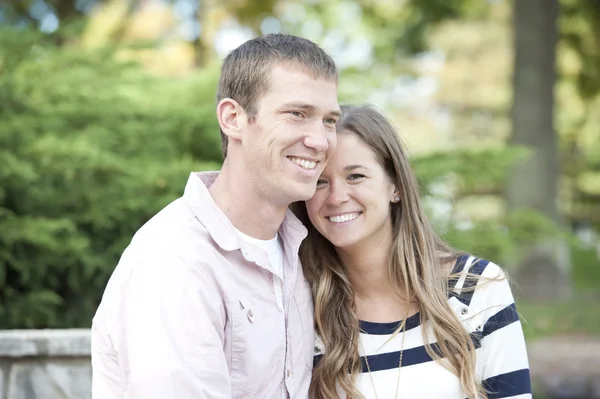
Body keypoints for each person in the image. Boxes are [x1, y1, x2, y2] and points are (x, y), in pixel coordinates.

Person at [91, 33, 341, 399]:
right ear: (233, 118)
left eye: (329, 120)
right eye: (297, 114)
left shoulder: (299, 247)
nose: (320, 141)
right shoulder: (175, 263)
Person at [292, 104, 532, 399]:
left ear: (396, 186)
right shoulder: (300, 308)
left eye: (355, 176)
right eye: (320, 182)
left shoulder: (475, 288)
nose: (336, 197)